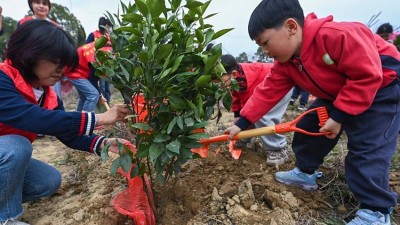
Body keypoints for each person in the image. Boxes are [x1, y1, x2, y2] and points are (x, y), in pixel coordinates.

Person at [224, 0, 400, 224]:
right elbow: (266, 92)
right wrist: (243, 122)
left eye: (265, 43)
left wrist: (338, 117)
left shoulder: (336, 35)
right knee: (309, 126)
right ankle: (305, 173)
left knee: (367, 150)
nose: (265, 52)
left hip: (382, 89)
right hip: (337, 94)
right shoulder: (286, 64)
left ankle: (376, 211)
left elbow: (367, 75)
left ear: (291, 27)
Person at [0, 20, 131, 225]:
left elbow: (66, 133)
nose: (61, 70)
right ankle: (5, 218)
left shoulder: (48, 95)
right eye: (55, 61)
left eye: (64, 63)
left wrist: (103, 144)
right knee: (17, 146)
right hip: (7, 150)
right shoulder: (3, 79)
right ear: (29, 53)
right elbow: (31, 117)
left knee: (47, 181)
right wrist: (100, 118)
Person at [221, 54, 292, 166]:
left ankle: (277, 149)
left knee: (261, 115)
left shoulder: (248, 79)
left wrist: (241, 123)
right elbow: (236, 96)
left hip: (280, 85)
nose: (216, 83)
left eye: (219, 80)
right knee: (246, 115)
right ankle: (244, 138)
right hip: (262, 92)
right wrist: (237, 116)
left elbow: (254, 107)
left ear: (233, 74)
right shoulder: (235, 78)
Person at [18, 0, 62, 99]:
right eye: (37, 3)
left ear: (49, 7)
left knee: (54, 95)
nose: (41, 6)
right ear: (31, 4)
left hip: (50, 65)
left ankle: (55, 112)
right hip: (28, 64)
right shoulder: (24, 23)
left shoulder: (55, 26)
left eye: (45, 4)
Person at [65, 42, 111, 112]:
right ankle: (85, 119)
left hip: (76, 69)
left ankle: (78, 117)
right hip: (75, 72)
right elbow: (92, 80)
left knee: (83, 97)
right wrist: (100, 96)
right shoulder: (98, 60)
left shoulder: (102, 47)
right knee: (93, 95)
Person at [86, 17, 113, 103]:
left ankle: (107, 105)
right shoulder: (93, 35)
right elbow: (86, 48)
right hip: (97, 67)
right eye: (108, 27)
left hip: (107, 67)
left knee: (107, 89)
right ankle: (101, 107)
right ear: (103, 26)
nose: (109, 29)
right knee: (102, 88)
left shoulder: (110, 38)